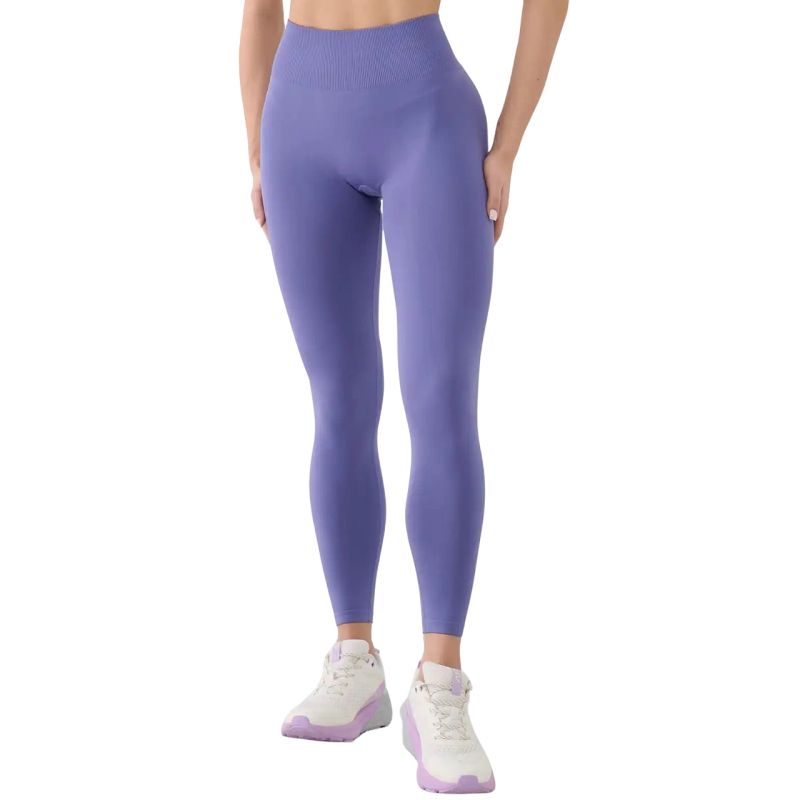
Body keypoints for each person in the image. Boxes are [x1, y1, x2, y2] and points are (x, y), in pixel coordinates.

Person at [239, 0, 567, 791]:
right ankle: (354, 660)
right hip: (298, 122)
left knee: (441, 397)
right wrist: (257, 150)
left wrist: (508, 146)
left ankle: (440, 683)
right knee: (339, 399)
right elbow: (258, 10)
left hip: (424, 116)